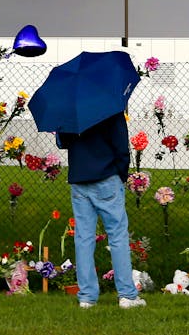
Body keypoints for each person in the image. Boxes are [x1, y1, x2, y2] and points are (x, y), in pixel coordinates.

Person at [57, 111, 145, 309]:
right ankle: (127, 296)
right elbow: (121, 146)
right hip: (107, 177)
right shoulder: (111, 108)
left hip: (79, 178)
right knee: (118, 236)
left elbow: (62, 141)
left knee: (83, 238)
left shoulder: (69, 108)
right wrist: (121, 173)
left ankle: (87, 296)